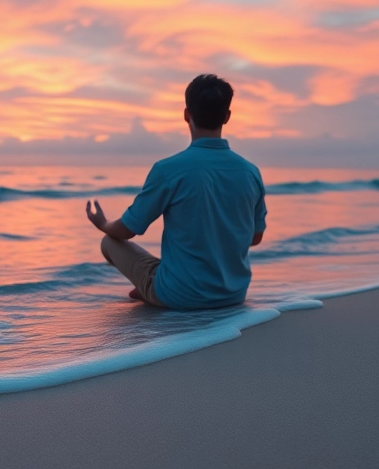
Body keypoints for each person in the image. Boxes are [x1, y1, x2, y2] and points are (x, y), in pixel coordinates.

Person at [85, 74, 266, 309]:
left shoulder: (168, 170)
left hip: (181, 296)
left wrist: (103, 223)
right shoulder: (250, 172)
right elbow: (255, 237)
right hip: (233, 295)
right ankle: (157, 286)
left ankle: (155, 290)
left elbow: (128, 230)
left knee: (108, 242)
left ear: (186, 114)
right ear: (227, 117)